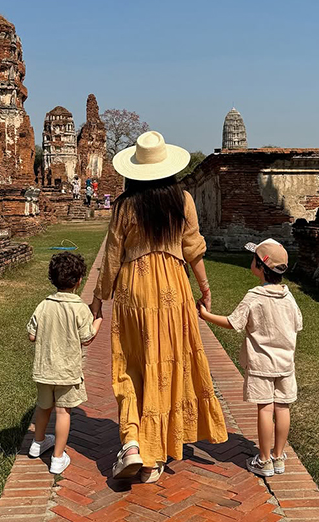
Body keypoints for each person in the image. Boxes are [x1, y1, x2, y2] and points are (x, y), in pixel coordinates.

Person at [90, 130, 228, 483]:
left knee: (132, 364)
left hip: (134, 286)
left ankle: (135, 443)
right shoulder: (182, 200)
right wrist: (205, 288)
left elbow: (112, 256)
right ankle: (159, 450)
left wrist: (97, 300)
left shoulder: (124, 205)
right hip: (173, 286)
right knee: (168, 363)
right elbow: (193, 248)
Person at [199, 238, 302, 478]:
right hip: (286, 363)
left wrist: (206, 315)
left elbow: (233, 322)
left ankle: (264, 460)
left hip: (261, 364)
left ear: (260, 266)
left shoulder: (255, 296)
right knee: (283, 407)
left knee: (265, 409)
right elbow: (297, 324)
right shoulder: (289, 297)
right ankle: (278, 456)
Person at [27, 252, 102, 474]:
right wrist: (97, 320)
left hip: (44, 370)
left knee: (43, 408)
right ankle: (58, 457)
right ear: (79, 280)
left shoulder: (43, 305)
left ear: (52, 278)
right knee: (63, 412)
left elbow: (32, 335)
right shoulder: (79, 308)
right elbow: (87, 338)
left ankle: (37, 443)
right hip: (67, 372)